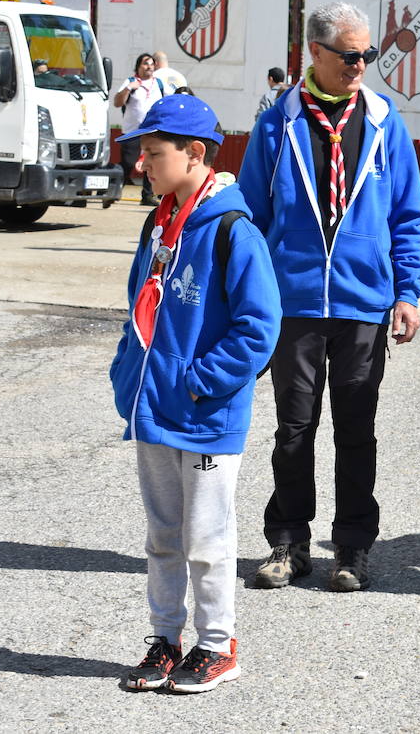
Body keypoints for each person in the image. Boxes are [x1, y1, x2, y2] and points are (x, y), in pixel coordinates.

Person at [238, 1, 420, 594]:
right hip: (293, 303)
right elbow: (250, 217)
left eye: (367, 54)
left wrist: (407, 291)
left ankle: (351, 549)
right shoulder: (277, 124)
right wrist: (250, 296)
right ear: (315, 53)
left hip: (363, 302)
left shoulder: (382, 121)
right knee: (293, 429)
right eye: (350, 55)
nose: (362, 65)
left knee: (356, 429)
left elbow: (407, 215)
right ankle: (288, 543)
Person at [109, 94, 281, 693]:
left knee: (207, 536)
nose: (143, 165)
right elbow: (140, 307)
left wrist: (200, 382)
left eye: (154, 154)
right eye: (143, 154)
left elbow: (260, 327)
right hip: (154, 407)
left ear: (196, 154)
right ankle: (165, 639)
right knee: (162, 534)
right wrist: (126, 372)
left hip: (205, 414)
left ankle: (217, 645)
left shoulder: (233, 229)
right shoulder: (158, 222)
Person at [114, 52, 167, 206]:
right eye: (145, 63)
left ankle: (148, 195)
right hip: (133, 132)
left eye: (151, 64)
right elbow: (117, 103)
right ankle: (114, 191)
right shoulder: (130, 82)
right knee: (128, 163)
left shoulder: (159, 84)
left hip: (152, 132)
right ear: (138, 67)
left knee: (152, 163)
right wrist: (129, 88)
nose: (149, 66)